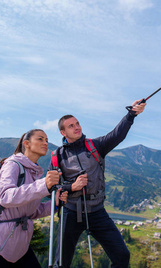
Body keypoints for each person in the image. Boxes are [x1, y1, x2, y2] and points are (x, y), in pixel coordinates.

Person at [50, 99, 146, 268]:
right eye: (71, 126)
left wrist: (131, 115)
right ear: (62, 132)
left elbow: (117, 135)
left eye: (77, 123)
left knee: (122, 256)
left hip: (97, 211)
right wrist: (71, 187)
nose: (77, 127)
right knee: (61, 263)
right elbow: (51, 188)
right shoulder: (57, 156)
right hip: (71, 212)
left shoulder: (96, 145)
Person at [0, 129, 68, 267]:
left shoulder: (33, 172)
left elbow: (31, 212)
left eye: (46, 140)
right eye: (40, 139)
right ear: (27, 143)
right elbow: (5, 197)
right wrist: (43, 185)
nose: (45, 143)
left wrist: (54, 203)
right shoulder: (12, 164)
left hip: (20, 245)